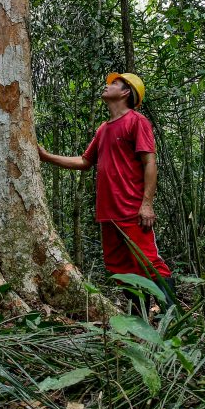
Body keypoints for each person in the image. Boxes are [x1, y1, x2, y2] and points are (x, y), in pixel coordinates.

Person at [38, 72, 175, 308]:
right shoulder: (103, 129)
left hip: (132, 209)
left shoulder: (137, 121)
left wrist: (147, 204)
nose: (107, 85)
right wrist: (45, 156)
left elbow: (149, 163)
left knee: (149, 262)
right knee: (119, 267)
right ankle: (138, 319)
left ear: (125, 92)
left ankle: (172, 317)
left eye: (114, 83)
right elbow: (84, 162)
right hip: (107, 213)